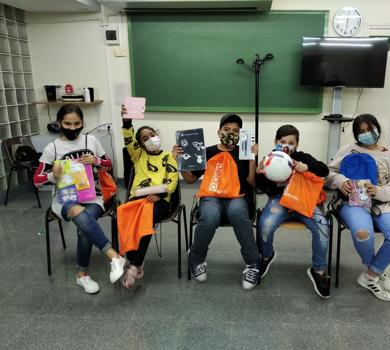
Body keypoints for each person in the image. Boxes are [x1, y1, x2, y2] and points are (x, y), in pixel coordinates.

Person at [34, 104, 126, 294]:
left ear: (82, 123)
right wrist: (53, 174)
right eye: (67, 123)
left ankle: (82, 274)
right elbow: (37, 180)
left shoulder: (91, 140)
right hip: (64, 199)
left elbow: (108, 165)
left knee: (85, 221)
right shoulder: (52, 148)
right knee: (78, 212)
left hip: (92, 196)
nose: (72, 127)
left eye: (77, 123)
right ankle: (113, 257)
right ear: (60, 123)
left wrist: (96, 161)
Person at [172, 113, 261, 290]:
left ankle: (253, 264)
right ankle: (196, 259)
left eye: (235, 131)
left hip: (238, 196)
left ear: (240, 134)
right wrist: (180, 160)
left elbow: (252, 182)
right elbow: (190, 179)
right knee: (210, 215)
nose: (231, 133)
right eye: (227, 129)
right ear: (219, 131)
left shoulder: (244, 151)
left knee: (237, 212)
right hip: (212, 196)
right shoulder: (208, 152)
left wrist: (252, 158)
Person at [327, 114, 390, 302]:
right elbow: (330, 171)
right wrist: (342, 182)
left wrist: (378, 191)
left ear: (377, 128)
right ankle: (376, 270)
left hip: (382, 204)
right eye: (361, 131)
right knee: (363, 233)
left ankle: (370, 276)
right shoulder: (348, 150)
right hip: (352, 203)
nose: (366, 134)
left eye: (369, 129)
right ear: (356, 134)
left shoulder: (388, 155)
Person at [255, 125, 331, 298]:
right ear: (275, 142)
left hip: (303, 200)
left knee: (322, 228)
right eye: (282, 142)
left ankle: (318, 270)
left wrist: (307, 167)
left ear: (297, 144)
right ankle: (266, 256)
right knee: (265, 225)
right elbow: (262, 188)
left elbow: (324, 169)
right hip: (279, 201)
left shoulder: (301, 157)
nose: (286, 145)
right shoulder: (269, 159)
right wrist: (260, 174)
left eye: (291, 142)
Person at [120, 106, 179, 288]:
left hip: (160, 200)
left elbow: (173, 179)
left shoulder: (169, 156)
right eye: (145, 138)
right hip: (137, 198)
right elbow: (129, 140)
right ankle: (133, 260)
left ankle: (134, 264)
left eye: (152, 134)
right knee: (125, 213)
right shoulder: (138, 155)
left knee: (147, 217)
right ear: (141, 144)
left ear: (157, 134)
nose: (150, 139)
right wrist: (127, 121)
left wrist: (161, 194)